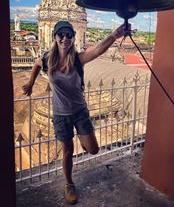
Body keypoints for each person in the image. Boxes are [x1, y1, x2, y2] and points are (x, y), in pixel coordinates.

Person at [22, 20, 129, 205]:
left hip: (80, 111)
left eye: (69, 34)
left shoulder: (78, 59)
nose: (65, 38)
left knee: (93, 150)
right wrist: (30, 84)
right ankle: (69, 183)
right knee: (67, 152)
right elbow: (37, 64)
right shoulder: (48, 59)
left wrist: (114, 35)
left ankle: (82, 137)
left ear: (73, 37)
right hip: (60, 115)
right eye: (61, 34)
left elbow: (98, 50)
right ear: (55, 37)